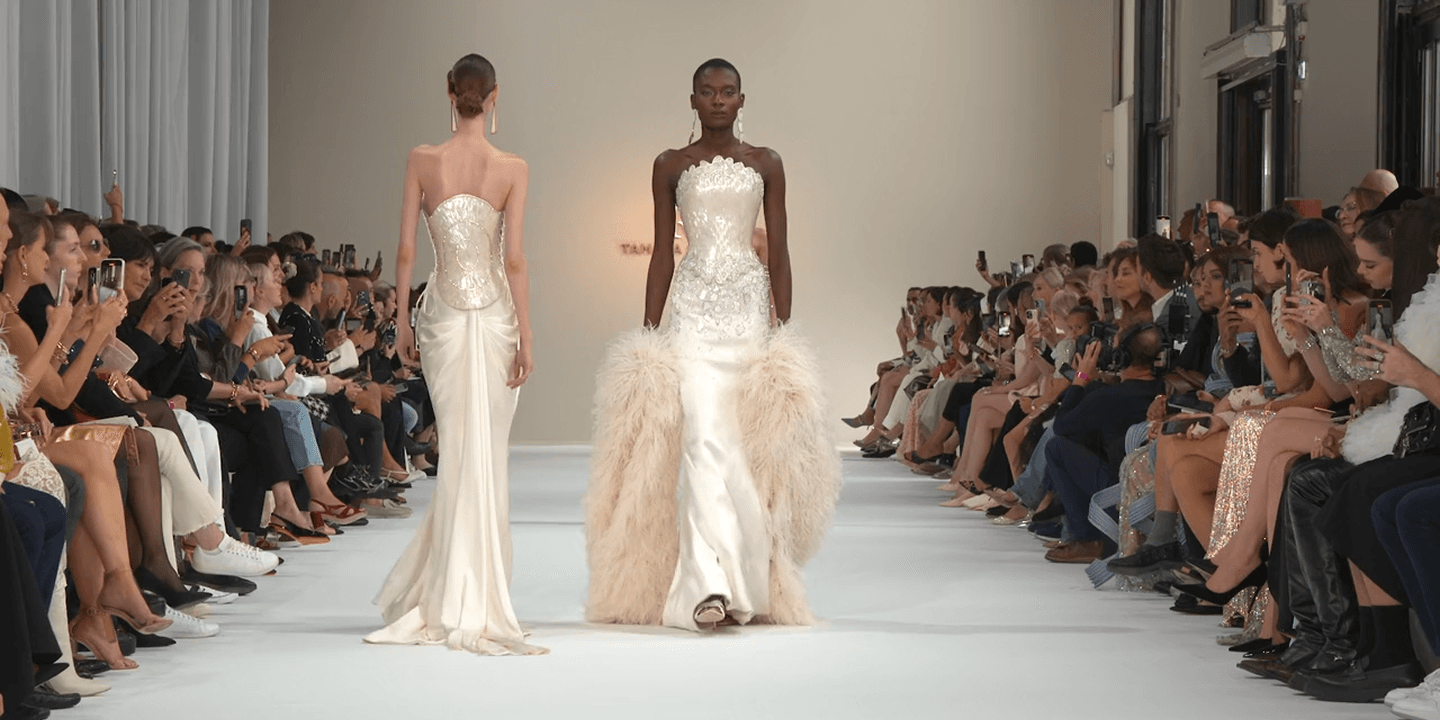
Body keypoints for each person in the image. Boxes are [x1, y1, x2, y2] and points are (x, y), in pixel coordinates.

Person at [586, 58, 841, 632]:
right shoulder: (670, 165)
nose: (719, 100)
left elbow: (779, 252)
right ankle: (706, 587)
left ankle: (746, 586)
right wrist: (649, 332)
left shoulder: (767, 163)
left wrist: (782, 333)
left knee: (742, 454)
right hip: (693, 314)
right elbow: (661, 253)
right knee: (702, 442)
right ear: (693, 100)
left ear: (742, 99)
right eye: (708, 91)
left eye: (728, 92)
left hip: (748, 317)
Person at [366, 53, 541, 656]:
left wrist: (400, 320)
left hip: (440, 313)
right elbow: (513, 259)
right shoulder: (512, 167)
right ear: (494, 95)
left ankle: (452, 588)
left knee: (462, 446)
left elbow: (405, 251)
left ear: (449, 92)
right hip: (493, 316)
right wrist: (526, 333)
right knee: (483, 450)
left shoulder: (423, 160)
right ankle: (481, 591)